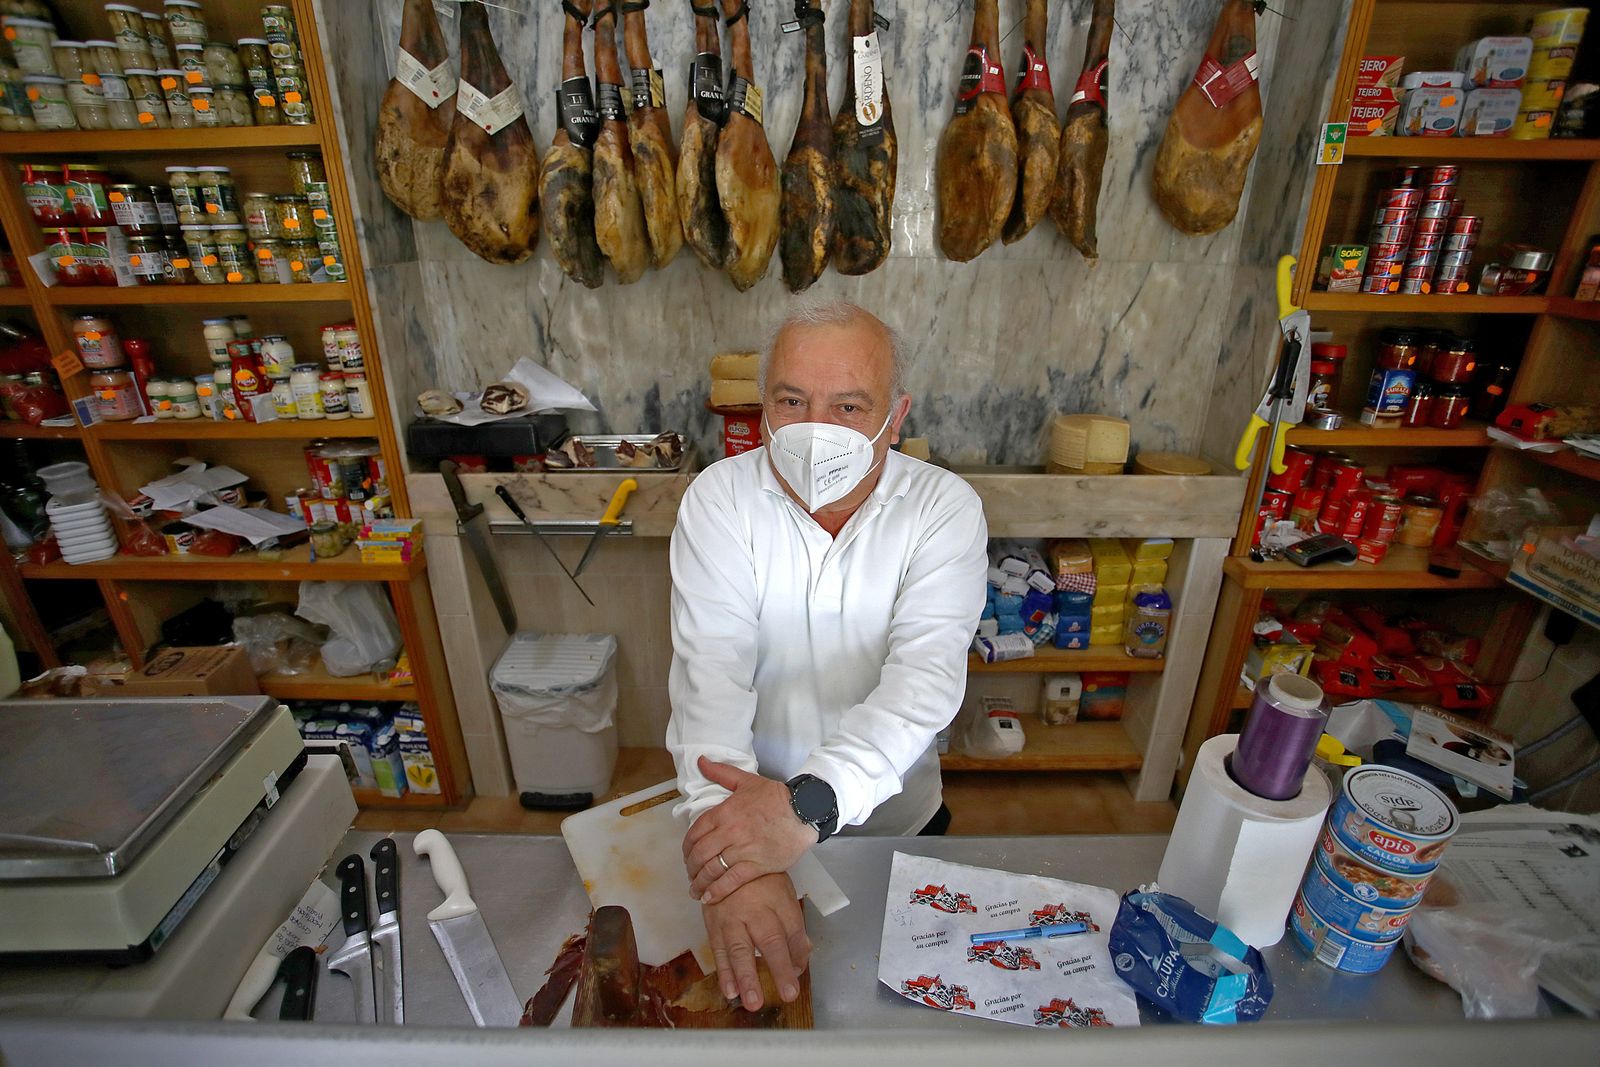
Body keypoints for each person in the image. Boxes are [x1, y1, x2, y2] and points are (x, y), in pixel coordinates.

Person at [665, 298, 989, 1012]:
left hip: (893, 824)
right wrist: (737, 852)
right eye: (792, 401)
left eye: (847, 406)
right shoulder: (720, 500)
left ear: (895, 417)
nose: (816, 430)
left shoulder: (943, 509)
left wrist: (805, 806)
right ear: (762, 406)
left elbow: (924, 681)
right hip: (745, 811)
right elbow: (709, 675)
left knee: (896, 1018)